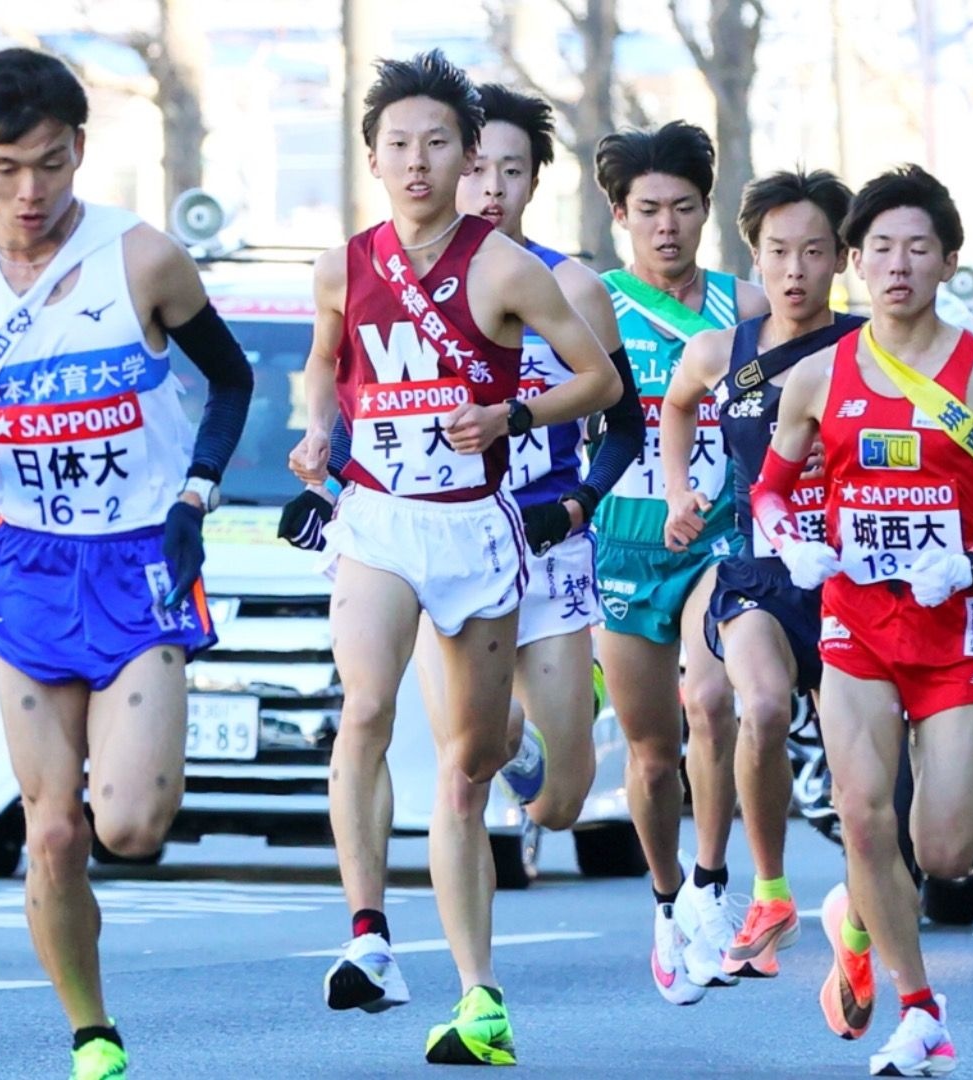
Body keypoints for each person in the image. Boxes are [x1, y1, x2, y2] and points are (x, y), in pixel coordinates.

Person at [0, 48, 253, 1080]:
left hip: (143, 555)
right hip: (27, 566)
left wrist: (198, 490)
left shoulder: (142, 259)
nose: (30, 191)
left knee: (131, 826)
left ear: (79, 152)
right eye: (7, 167)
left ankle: (99, 994)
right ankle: (92, 1036)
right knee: (51, 833)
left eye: (51, 165)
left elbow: (229, 386)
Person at [287, 51, 620, 1066]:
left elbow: (602, 384)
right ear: (374, 159)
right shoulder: (345, 261)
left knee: (468, 771)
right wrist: (314, 434)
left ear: (468, 156)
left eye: (438, 143)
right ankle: (369, 935)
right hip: (380, 519)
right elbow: (323, 361)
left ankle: (480, 996)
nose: (419, 162)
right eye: (400, 145)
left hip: (476, 527)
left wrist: (511, 410)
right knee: (367, 706)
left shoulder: (503, 268)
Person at [281, 84, 644, 830]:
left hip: (546, 532)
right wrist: (324, 452)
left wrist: (574, 497)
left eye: (510, 172)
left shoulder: (566, 285)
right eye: (482, 171)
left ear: (531, 180)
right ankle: (404, 934)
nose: (491, 188)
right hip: (437, 528)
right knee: (456, 764)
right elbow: (358, 387)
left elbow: (623, 417)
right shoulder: (369, 268)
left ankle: (533, 729)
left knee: (559, 804)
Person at [751, 164, 973, 1075]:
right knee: (863, 812)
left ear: (947, 261)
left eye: (918, 248)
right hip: (856, 628)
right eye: (879, 248)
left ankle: (856, 910)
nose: (897, 265)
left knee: (945, 849)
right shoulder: (815, 376)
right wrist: (794, 545)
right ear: (855, 261)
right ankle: (919, 1012)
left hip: (952, 630)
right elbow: (769, 491)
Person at [658, 168, 863, 982]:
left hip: (851, 578)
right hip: (755, 570)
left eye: (814, 251)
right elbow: (676, 404)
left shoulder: (866, 347)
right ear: (754, 254)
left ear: (841, 259)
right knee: (763, 705)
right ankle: (769, 890)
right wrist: (682, 490)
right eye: (777, 251)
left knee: (861, 774)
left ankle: (858, 918)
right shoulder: (721, 352)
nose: (794, 270)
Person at [589, 119, 769, 1001]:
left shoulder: (751, 304)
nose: (667, 226)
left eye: (685, 208)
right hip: (625, 538)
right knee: (652, 751)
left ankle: (710, 883)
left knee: (712, 697)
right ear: (620, 214)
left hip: (722, 535)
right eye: (649, 209)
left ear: (709, 213)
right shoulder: (594, 303)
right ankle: (665, 903)